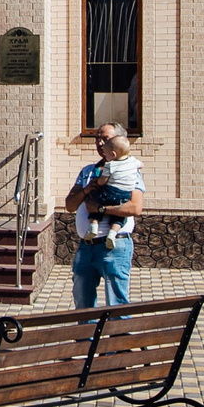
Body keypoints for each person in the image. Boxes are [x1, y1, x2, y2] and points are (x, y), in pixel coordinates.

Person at [65, 124, 146, 309]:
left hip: (115, 246)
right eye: (97, 139)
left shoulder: (130, 171)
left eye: (106, 139)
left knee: (117, 303)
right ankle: (85, 337)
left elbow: (135, 207)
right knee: (82, 304)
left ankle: (119, 337)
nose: (100, 143)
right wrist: (87, 189)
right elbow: (70, 205)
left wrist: (100, 209)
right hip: (86, 246)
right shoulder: (88, 171)